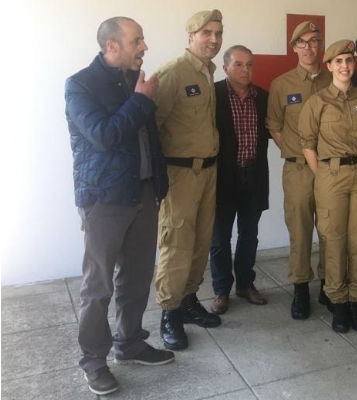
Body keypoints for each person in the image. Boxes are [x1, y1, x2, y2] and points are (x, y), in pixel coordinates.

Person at [65, 16, 174, 395]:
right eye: (137, 40)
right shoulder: (80, 84)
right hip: (104, 199)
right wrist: (141, 101)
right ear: (112, 45)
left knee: (138, 276)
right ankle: (94, 361)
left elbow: (148, 139)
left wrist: (159, 183)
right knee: (98, 286)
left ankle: (129, 343)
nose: (144, 47)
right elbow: (104, 136)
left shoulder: (134, 79)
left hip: (143, 192)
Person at [299, 39, 357, 333]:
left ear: (354, 64)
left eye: (349, 60)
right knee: (333, 239)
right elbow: (307, 144)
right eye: (338, 61)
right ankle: (338, 301)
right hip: (330, 176)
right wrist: (324, 174)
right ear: (329, 66)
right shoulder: (317, 102)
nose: (345, 66)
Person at [154, 9, 224, 351]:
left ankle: (188, 299)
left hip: (208, 171)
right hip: (180, 174)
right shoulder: (173, 72)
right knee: (177, 243)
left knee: (200, 241)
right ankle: (169, 312)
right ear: (191, 36)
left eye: (218, 33)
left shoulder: (208, 72)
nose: (214, 39)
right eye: (206, 33)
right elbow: (152, 126)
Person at [267, 20, 333, 320]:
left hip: (332, 170)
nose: (308, 47)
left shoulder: (334, 79)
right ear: (294, 47)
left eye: (314, 41)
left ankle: (329, 285)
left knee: (331, 229)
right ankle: (301, 288)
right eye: (302, 42)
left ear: (320, 45)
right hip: (298, 170)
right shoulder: (281, 84)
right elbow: (274, 125)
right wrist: (297, 151)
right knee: (300, 231)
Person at [209, 45, 270, 314]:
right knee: (219, 238)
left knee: (249, 234)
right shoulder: (213, 95)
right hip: (223, 176)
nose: (245, 70)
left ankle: (246, 284)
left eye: (249, 65)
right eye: (238, 64)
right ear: (225, 68)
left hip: (254, 175)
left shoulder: (263, 97)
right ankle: (221, 290)